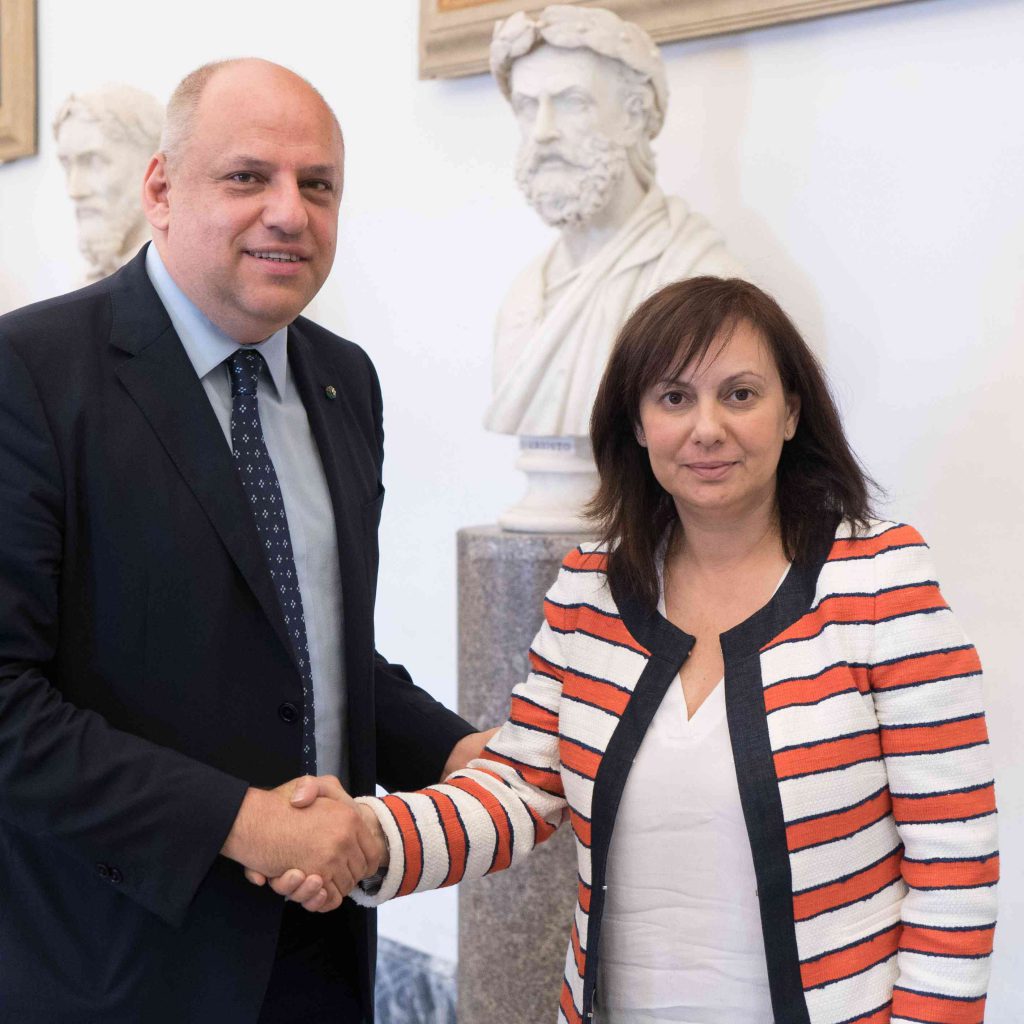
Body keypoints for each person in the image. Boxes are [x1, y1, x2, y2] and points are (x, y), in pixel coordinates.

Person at [278, 277, 998, 1023]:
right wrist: (370, 836)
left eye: (741, 394)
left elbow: (956, 867)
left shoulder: (881, 581)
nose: (707, 428)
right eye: (674, 398)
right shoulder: (592, 587)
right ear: (638, 423)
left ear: (791, 412)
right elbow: (518, 786)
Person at [0, 58, 490, 1023]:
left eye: (319, 185)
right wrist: (242, 822)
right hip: (117, 969)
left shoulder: (345, 382)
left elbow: (310, 651)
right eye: (247, 177)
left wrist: (459, 749)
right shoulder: (29, 374)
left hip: (322, 957)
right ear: (161, 189)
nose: (289, 212)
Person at [484, 5, 745, 440]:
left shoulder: (694, 276)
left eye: (571, 102)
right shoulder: (525, 294)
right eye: (528, 107)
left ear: (633, 116)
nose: (543, 131)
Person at [54, 84, 165, 282]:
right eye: (67, 164)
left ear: (153, 168)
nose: (74, 190)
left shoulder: (175, 279)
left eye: (94, 161)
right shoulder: (86, 285)